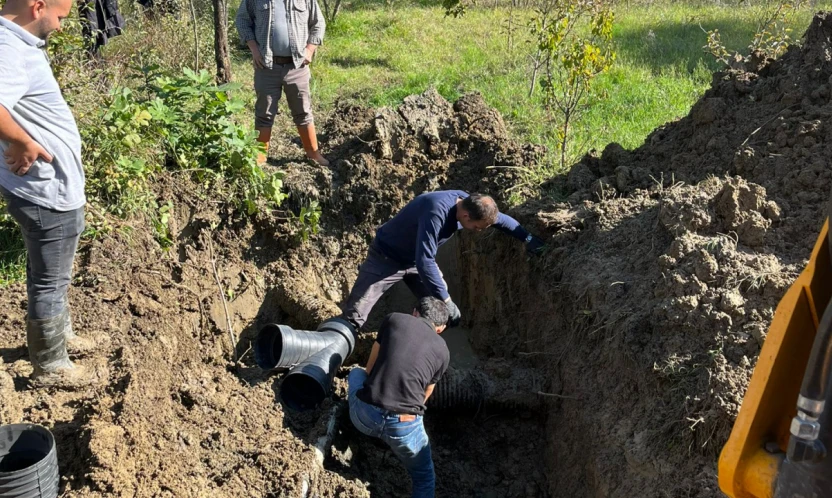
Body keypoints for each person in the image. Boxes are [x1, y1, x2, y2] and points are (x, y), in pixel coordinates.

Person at [0, 0, 103, 387]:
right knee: (50, 279)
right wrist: (23, 143)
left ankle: (62, 337)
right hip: (44, 189)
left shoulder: (17, 44)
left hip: (43, 186)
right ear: (37, 6)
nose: (61, 27)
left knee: (47, 270)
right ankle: (51, 365)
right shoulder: (8, 47)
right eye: (59, 17)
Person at [341, 190, 545, 330]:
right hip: (386, 258)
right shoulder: (436, 211)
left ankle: (421, 350)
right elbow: (425, 261)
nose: (479, 231)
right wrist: (446, 300)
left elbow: (502, 221)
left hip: (414, 261)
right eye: (477, 227)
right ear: (465, 216)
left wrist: (528, 239)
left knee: (442, 315)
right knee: (354, 315)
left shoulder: (471, 204)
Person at [347, 297, 451, 498]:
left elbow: (369, 369)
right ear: (441, 329)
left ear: (414, 312)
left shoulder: (393, 319)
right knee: (424, 477)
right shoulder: (443, 351)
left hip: (364, 417)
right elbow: (425, 395)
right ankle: (388, 436)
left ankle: (368, 434)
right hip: (403, 427)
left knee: (356, 374)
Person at [235, 0, 328, 166]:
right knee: (264, 112)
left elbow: (318, 23)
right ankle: (260, 156)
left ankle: (313, 153)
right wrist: (254, 50)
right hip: (266, 66)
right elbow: (242, 21)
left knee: (303, 111)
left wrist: (310, 49)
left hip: (297, 65)